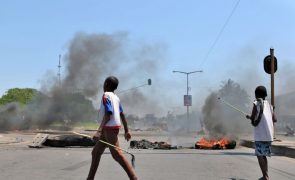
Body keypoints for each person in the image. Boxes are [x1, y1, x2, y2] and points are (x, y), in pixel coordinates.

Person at [87, 76, 138, 180]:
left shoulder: (106, 95)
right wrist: (127, 131)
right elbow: (122, 114)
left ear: (106, 84)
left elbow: (108, 114)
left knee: (117, 155)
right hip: (110, 128)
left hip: (109, 128)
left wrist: (98, 131)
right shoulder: (116, 97)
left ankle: (134, 178)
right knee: (95, 152)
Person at [246, 86, 277, 180]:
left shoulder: (256, 103)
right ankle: (265, 175)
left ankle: (265, 176)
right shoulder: (269, 105)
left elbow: (253, 116)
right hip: (269, 135)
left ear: (256, 95)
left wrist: (249, 117)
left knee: (259, 155)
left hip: (260, 135)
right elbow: (275, 119)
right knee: (263, 155)